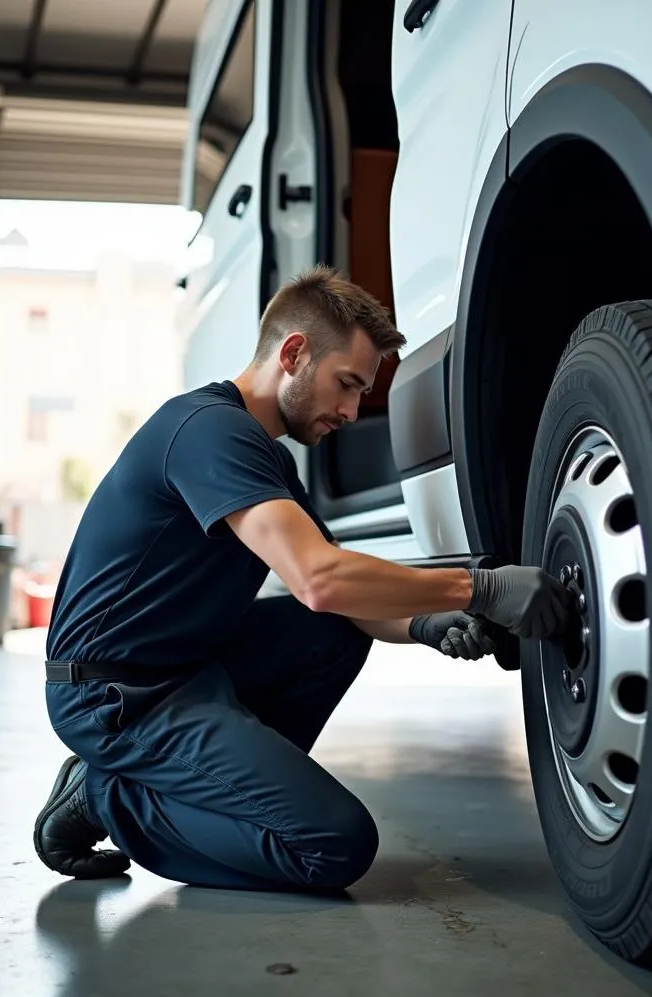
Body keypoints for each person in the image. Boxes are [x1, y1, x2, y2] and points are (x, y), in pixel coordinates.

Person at [34, 265, 572, 892]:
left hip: (184, 670)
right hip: (113, 695)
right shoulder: (209, 431)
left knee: (333, 634)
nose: (350, 411)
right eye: (346, 384)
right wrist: (479, 588)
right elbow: (320, 580)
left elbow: (344, 595)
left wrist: (424, 624)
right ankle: (104, 795)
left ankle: (202, 785)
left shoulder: (266, 456)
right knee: (333, 846)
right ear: (293, 353)